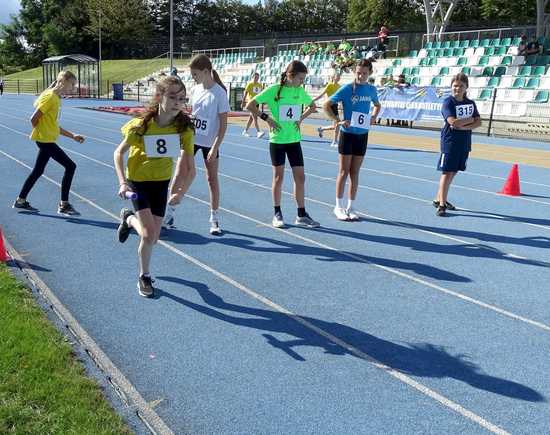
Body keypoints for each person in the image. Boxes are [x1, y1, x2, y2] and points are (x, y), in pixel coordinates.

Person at [114, 76, 195, 297]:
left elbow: (191, 168)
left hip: (161, 183)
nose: (178, 102)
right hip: (138, 181)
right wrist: (122, 182)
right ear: (159, 97)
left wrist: (181, 192)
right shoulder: (141, 126)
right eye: (172, 97)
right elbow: (118, 153)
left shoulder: (184, 129)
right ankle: (145, 276)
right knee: (149, 235)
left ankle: (129, 219)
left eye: (182, 98)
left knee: (154, 238)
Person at [246, 60, 320, 229]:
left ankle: (301, 214)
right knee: (278, 177)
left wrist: (301, 118)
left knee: (300, 177)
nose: (302, 83)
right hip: (277, 141)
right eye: (300, 79)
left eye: (303, 79)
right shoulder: (273, 90)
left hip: (294, 140)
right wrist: (267, 119)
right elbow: (250, 105)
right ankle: (277, 213)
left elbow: (313, 106)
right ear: (290, 75)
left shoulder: (299, 91)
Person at [163, 54, 229, 235]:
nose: (193, 78)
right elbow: (192, 114)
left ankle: (214, 218)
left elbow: (223, 126)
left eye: (195, 74)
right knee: (179, 173)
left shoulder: (220, 93)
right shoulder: (195, 90)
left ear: (206, 71)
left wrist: (215, 147)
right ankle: (169, 214)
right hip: (192, 138)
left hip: (210, 142)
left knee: (211, 179)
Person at [13, 71, 85, 214]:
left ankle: (20, 201)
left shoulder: (56, 97)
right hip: (45, 141)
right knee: (70, 166)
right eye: (72, 84)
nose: (73, 87)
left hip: (47, 139)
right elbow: (33, 119)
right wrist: (41, 132)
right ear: (63, 82)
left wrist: (73, 136)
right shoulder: (51, 97)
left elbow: (52, 125)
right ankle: (64, 205)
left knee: (38, 171)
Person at [323, 59, 381, 221]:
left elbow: (377, 105)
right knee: (343, 171)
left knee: (355, 172)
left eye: (364, 73)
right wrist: (338, 120)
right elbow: (326, 105)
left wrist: (374, 117)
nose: (361, 76)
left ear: (370, 73)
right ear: (354, 72)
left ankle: (351, 207)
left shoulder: (371, 89)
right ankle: (338, 206)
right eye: (358, 73)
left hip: (362, 135)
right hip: (347, 134)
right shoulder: (347, 88)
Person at [434, 73, 481, 217]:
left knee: (453, 172)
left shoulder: (470, 103)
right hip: (450, 142)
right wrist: (470, 120)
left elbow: (479, 122)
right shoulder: (448, 102)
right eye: (455, 86)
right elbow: (453, 122)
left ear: (466, 87)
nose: (458, 88)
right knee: (446, 172)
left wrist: (466, 126)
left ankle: (439, 198)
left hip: (464, 142)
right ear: (451, 87)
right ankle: (442, 204)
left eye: (461, 86)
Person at [313, 73, 341, 147]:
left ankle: (321, 129)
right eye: (337, 76)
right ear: (333, 77)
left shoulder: (339, 86)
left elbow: (341, 97)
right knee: (338, 123)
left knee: (336, 125)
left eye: (339, 77)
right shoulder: (330, 85)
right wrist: (313, 100)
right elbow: (322, 94)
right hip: (329, 106)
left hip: (335, 106)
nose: (339, 78)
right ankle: (334, 141)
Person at [241, 72, 265, 138]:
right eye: (255, 77)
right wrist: (243, 102)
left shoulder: (260, 85)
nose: (256, 79)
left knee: (251, 118)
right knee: (255, 117)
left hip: (256, 103)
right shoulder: (250, 84)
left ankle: (245, 131)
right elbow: (245, 93)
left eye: (257, 77)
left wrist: (263, 101)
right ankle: (258, 131)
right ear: (252, 77)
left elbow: (261, 94)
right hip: (251, 103)